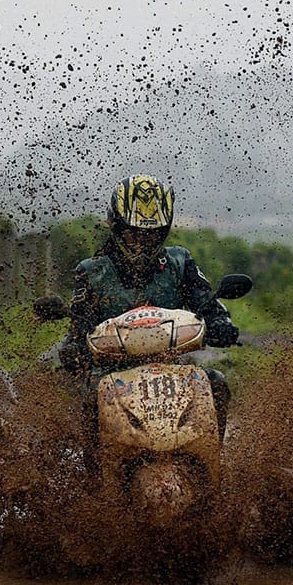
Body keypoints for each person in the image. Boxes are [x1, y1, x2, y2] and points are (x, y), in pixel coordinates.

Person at [60, 174, 240, 439]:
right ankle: (94, 473)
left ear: (163, 231)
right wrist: (76, 349)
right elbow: (78, 330)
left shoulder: (180, 262)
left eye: (152, 234)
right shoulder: (91, 272)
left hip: (171, 370)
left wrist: (221, 325)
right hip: (110, 374)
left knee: (216, 385)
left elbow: (207, 303)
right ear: (116, 226)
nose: (141, 242)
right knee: (90, 398)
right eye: (133, 233)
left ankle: (212, 464)